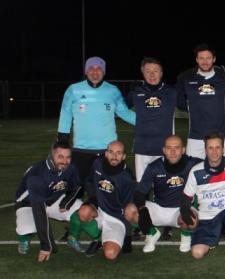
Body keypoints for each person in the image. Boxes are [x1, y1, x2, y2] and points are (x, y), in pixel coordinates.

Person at [57, 56, 135, 190]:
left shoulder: (113, 91)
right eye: (91, 68)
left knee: (108, 188)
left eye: (99, 69)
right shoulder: (73, 90)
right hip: (81, 149)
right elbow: (65, 113)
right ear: (86, 72)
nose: (95, 71)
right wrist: (63, 137)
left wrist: (147, 121)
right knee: (76, 189)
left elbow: (125, 113)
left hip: (107, 151)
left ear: (104, 72)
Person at [180, 132, 225, 259]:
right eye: (210, 147)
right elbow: (186, 197)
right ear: (205, 150)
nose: (214, 151)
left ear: (223, 149)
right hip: (207, 219)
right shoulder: (196, 171)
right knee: (197, 254)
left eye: (217, 147)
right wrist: (184, 210)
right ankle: (216, 233)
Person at [133, 135, 204, 253]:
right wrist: (142, 210)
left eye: (177, 147)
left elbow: (214, 163)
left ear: (183, 150)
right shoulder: (154, 166)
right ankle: (152, 234)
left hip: (181, 210)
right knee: (130, 210)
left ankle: (186, 236)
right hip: (159, 209)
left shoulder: (192, 163)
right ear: (164, 150)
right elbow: (139, 192)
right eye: (169, 148)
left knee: (193, 220)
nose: (173, 151)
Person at [70, 140, 139, 260]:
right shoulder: (98, 163)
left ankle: (113, 237)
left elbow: (128, 210)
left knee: (110, 254)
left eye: (118, 153)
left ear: (123, 156)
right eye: (111, 152)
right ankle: (97, 239)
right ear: (106, 154)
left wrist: (127, 237)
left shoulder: (127, 178)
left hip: (116, 219)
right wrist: (93, 201)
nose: (114, 156)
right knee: (84, 212)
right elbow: (89, 181)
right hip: (100, 211)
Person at [14, 142, 83, 261]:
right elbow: (39, 212)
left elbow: (77, 186)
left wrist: (66, 202)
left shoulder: (70, 167)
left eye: (68, 157)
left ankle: (72, 237)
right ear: (52, 155)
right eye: (60, 157)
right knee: (28, 228)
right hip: (29, 204)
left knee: (82, 210)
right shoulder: (36, 176)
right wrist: (47, 246)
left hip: (52, 199)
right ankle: (24, 238)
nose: (65, 161)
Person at [126, 57, 178, 181]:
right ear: (142, 72)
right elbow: (120, 109)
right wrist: (136, 121)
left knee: (163, 189)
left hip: (165, 149)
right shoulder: (136, 92)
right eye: (148, 71)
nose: (152, 74)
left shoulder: (172, 92)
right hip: (142, 148)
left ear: (161, 73)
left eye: (155, 70)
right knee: (141, 188)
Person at [176, 43, 225, 159]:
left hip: (222, 136)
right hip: (196, 136)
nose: (205, 61)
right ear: (196, 59)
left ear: (214, 59)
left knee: (223, 174)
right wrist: (192, 108)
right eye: (201, 58)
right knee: (192, 171)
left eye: (208, 58)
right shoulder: (186, 79)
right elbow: (180, 102)